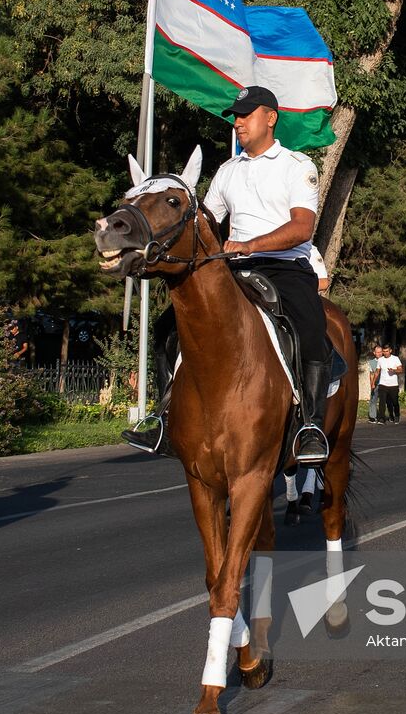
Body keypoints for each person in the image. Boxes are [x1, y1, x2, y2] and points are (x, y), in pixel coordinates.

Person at [123, 85, 331, 464]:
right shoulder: (226, 171)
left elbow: (303, 228)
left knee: (310, 325)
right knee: (167, 327)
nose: (238, 122)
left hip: (284, 266)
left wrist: (252, 244)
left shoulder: (297, 166)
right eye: (236, 116)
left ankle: (310, 425)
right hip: (232, 267)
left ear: (270, 118)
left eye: (246, 114)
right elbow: (206, 222)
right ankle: (164, 415)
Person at [376, 344, 403, 424]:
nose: (385, 353)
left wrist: (394, 371)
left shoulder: (395, 359)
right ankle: (381, 419)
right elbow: (377, 371)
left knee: (394, 402)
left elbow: (400, 370)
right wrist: (373, 382)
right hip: (383, 384)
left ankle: (396, 415)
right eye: (384, 351)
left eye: (387, 351)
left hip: (393, 385)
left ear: (390, 351)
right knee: (382, 402)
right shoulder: (380, 360)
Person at [366, 342, 381, 423]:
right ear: (374, 353)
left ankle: (384, 416)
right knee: (373, 400)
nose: (379, 353)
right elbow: (371, 374)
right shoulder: (372, 362)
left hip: (385, 383)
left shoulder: (385, 360)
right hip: (376, 383)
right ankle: (373, 417)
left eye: (380, 352)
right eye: (377, 352)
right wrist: (372, 384)